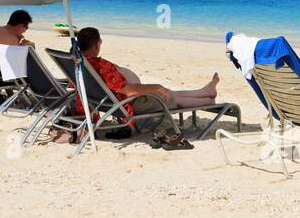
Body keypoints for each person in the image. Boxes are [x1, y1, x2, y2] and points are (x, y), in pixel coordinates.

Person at [61, 27, 220, 148]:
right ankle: (208, 100)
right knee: (169, 97)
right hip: (127, 104)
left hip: (105, 102)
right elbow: (128, 90)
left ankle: (205, 92)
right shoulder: (101, 67)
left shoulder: (79, 65)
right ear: (97, 44)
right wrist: (156, 87)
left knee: (166, 93)